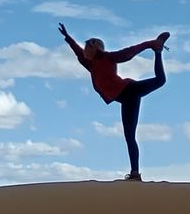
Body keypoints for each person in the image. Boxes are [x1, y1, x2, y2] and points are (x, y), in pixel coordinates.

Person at [58, 23, 169, 180]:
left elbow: (128, 53)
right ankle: (135, 174)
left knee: (160, 80)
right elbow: (77, 51)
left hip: (130, 90)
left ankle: (157, 50)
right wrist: (68, 37)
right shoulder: (90, 65)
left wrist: (149, 44)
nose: (85, 50)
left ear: (96, 47)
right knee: (129, 136)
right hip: (126, 100)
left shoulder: (108, 57)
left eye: (88, 46)